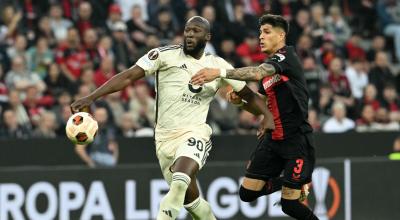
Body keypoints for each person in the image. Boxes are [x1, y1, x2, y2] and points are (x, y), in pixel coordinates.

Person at [71, 16, 273, 220]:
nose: (190, 34)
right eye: (187, 30)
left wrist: (267, 115)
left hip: (195, 133)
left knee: (179, 183)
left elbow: (248, 95)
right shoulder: (164, 55)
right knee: (193, 203)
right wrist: (91, 96)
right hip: (164, 140)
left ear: (208, 36)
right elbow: (129, 76)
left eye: (196, 31)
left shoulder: (216, 65)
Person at [191, 14, 318, 220]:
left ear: (281, 35)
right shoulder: (270, 69)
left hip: (296, 140)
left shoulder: (287, 56)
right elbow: (263, 105)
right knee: (246, 194)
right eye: (260, 32)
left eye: (266, 32)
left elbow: (258, 73)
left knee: (290, 205)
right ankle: (293, 181)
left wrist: (220, 72)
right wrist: (240, 102)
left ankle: (296, 182)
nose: (261, 37)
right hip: (272, 139)